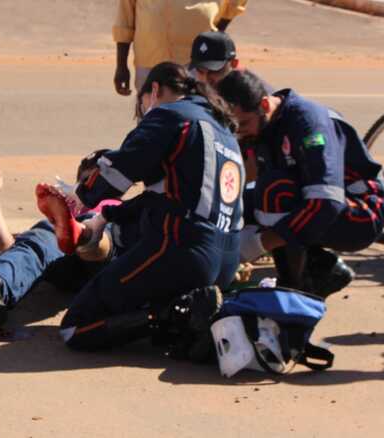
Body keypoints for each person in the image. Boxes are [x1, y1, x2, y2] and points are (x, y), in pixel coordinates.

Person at [38, 62, 244, 352]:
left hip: (181, 251)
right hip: (226, 263)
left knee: (76, 327)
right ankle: (187, 314)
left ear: (154, 91)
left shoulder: (170, 115)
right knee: (140, 298)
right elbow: (162, 197)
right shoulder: (224, 131)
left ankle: (169, 314)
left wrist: (80, 196)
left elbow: (119, 170)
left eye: (142, 101)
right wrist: (104, 218)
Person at [216, 70, 384, 296]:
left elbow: (326, 202)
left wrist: (259, 244)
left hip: (361, 212)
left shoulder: (309, 123)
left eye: (243, 123)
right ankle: (321, 266)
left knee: (274, 192)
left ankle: (293, 290)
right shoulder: (263, 124)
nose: (239, 131)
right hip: (313, 201)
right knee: (230, 202)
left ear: (265, 105)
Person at [0, 150, 133, 329]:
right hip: (65, 264)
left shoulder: (119, 205)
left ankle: (84, 235)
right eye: (88, 179)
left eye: (100, 179)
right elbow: (6, 247)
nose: (94, 185)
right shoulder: (62, 212)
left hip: (104, 260)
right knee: (41, 237)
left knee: (100, 225)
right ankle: (0, 286)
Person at [113, 0, 249, 95]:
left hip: (198, 62)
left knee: (197, 118)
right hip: (149, 58)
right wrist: (121, 65)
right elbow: (125, 16)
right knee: (150, 120)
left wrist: (219, 29)